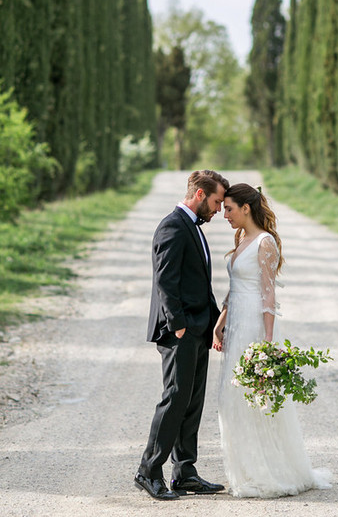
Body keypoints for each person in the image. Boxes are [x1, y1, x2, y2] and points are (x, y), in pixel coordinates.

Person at [213, 182, 332, 498]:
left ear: (246, 208)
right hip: (236, 322)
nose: (225, 214)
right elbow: (235, 287)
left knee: (254, 398)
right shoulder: (241, 238)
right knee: (231, 399)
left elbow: (268, 294)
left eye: (229, 209)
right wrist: (220, 323)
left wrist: (266, 342)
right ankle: (246, 470)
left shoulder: (264, 243)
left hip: (254, 325)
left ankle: (268, 472)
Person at [135, 169, 230, 501]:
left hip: (198, 329)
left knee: (192, 401)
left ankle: (185, 472)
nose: (218, 210)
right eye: (216, 202)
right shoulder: (172, 226)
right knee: (175, 399)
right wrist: (178, 324)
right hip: (179, 331)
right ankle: (148, 471)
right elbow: (166, 280)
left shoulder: (193, 227)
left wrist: (215, 324)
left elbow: (199, 285)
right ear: (200, 194)